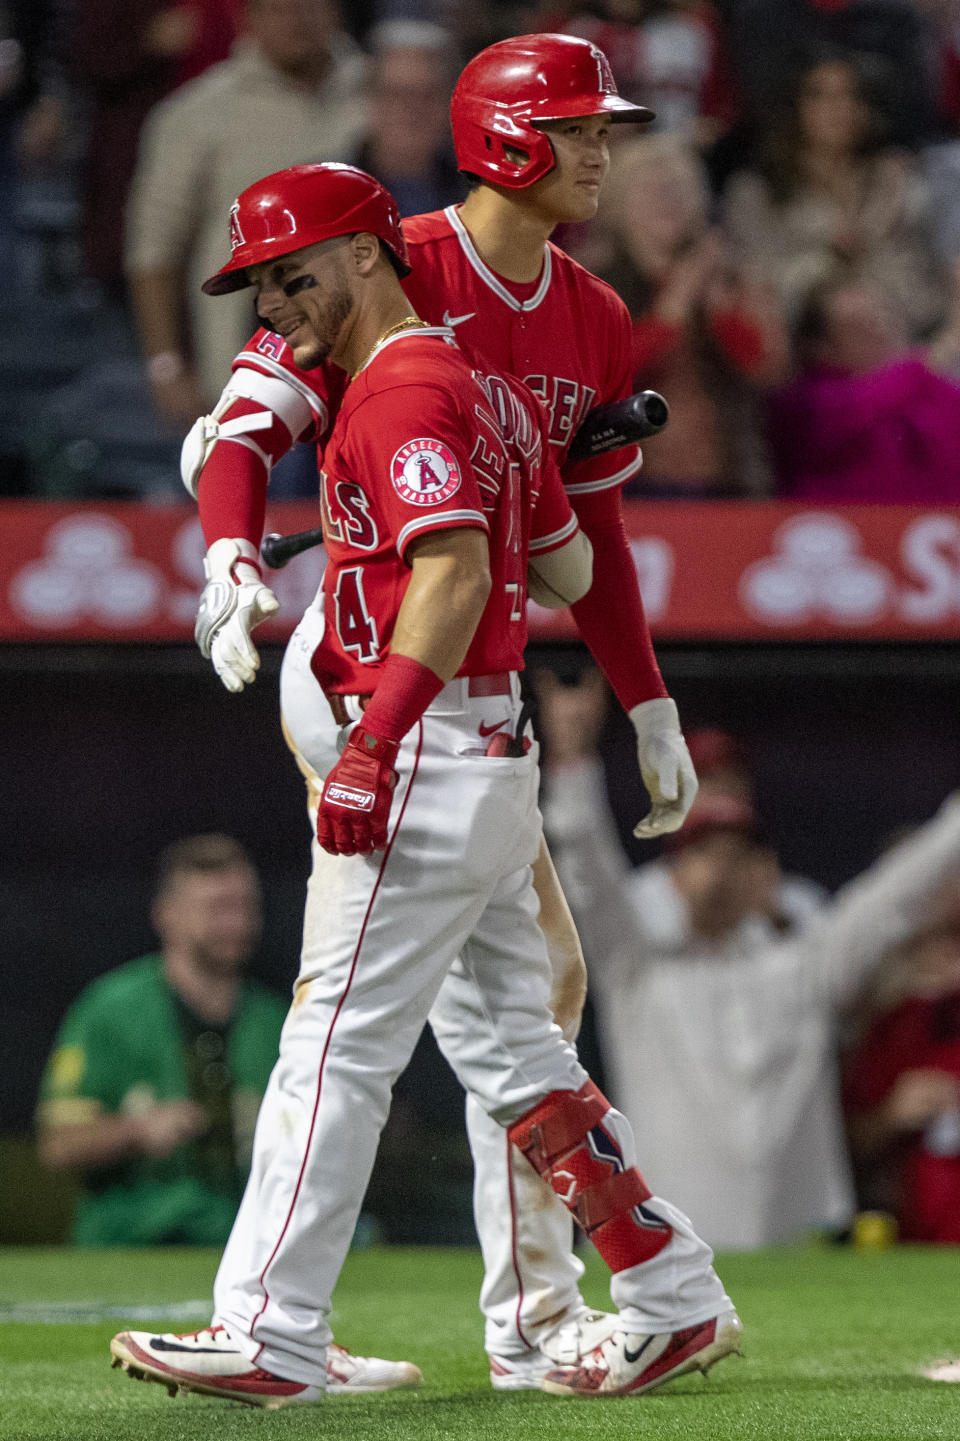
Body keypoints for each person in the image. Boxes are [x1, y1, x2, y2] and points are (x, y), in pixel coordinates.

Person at [108, 160, 740, 1407]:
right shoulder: (481, 390)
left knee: (332, 1049)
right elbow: (558, 567)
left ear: (366, 254)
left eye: (293, 276)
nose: (274, 305)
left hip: (423, 747)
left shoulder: (403, 387)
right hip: (486, 758)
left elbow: (450, 576)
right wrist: (518, 465)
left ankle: (271, 1331)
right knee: (520, 1053)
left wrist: (373, 741)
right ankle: (671, 1292)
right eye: (261, 282)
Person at [537, 666, 960, 1248]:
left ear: (766, 869)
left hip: (801, 1241)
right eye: (704, 849)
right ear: (674, 871)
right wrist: (573, 761)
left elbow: (901, 893)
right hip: (666, 1238)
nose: (722, 866)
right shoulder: (638, 966)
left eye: (740, 851)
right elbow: (586, 866)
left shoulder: (806, 964)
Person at [124, 0, 367, 432]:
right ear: (247, 19)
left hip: (372, 360)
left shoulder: (385, 91)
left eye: (312, 5)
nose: (298, 18)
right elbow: (154, 249)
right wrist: (165, 364)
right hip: (246, 366)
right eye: (279, 9)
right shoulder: (196, 111)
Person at [36, 834, 285, 1246]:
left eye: (245, 907)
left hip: (248, 1239)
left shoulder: (277, 1019)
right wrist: (136, 1131)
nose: (236, 924)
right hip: (133, 1241)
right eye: (217, 909)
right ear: (166, 914)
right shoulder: (110, 1009)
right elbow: (58, 1144)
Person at [592, 132, 787, 496]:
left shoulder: (733, 276)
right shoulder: (592, 283)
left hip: (729, 477)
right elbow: (599, 379)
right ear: (617, 203)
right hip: (630, 483)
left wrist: (718, 302)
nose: (668, 200)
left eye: (680, 187)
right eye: (651, 189)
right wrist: (675, 306)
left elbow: (767, 368)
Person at [722, 49, 947, 337]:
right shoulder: (755, 192)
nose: (840, 107)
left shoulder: (898, 181)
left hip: (901, 347)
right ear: (794, 106)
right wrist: (831, 257)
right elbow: (763, 295)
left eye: (852, 94)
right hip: (804, 357)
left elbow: (929, 291)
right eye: (820, 95)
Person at [766, 268, 960, 502]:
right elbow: (863, 402)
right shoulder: (803, 402)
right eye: (860, 325)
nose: (880, 331)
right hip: (843, 533)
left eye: (882, 316)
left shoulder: (923, 384)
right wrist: (950, 338)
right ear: (819, 347)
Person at [843, 874, 960, 1243]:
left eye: (955, 938)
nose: (940, 955)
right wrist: (890, 1116)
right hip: (916, 1254)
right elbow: (844, 1151)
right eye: (928, 940)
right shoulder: (897, 1027)